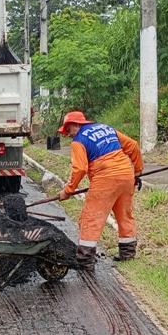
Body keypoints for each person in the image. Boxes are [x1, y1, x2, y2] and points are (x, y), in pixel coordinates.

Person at [55, 111, 143, 271]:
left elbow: (80, 169)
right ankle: (128, 252)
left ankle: (85, 259)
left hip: (105, 179)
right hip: (126, 175)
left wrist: (68, 191)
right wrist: (137, 171)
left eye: (68, 129)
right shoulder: (107, 129)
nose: (68, 134)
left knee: (90, 217)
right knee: (125, 214)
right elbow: (133, 146)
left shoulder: (78, 140)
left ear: (76, 125)